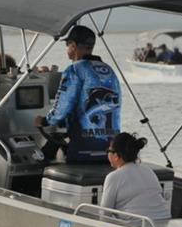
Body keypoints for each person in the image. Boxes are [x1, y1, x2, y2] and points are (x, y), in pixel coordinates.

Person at [34, 25, 121, 163]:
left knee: (44, 159)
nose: (67, 49)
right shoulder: (109, 70)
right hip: (110, 149)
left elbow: (62, 107)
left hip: (83, 147)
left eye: (67, 45)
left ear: (73, 46)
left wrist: (45, 120)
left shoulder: (74, 69)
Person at [101, 132, 171, 221]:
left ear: (116, 156)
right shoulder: (148, 170)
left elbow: (104, 214)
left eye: (109, 151)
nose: (108, 154)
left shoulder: (113, 177)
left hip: (137, 225)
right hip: (165, 220)